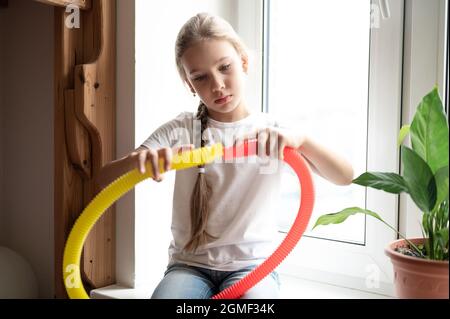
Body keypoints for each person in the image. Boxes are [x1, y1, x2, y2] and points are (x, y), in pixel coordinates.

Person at [99, 13, 354, 299]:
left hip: (254, 267)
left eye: (225, 67)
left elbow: (345, 176)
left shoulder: (273, 133)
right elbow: (103, 181)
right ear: (189, 84)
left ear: (243, 62)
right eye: (200, 77)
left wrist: (302, 140)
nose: (217, 84)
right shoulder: (182, 129)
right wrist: (138, 162)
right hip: (189, 267)